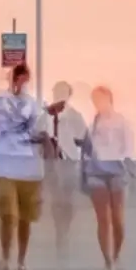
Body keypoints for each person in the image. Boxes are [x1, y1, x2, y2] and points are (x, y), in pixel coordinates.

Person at [0, 61, 47, 270]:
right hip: (5, 164)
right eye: (17, 77)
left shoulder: (36, 104)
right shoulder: (0, 103)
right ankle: (5, 258)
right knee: (8, 214)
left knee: (25, 217)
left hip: (29, 166)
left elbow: (42, 132)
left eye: (24, 78)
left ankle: (21, 260)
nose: (20, 82)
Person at [81, 85, 135, 270]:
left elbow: (128, 147)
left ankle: (116, 251)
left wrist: (123, 161)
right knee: (103, 218)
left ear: (109, 99)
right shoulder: (93, 124)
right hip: (96, 172)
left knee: (117, 218)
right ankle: (107, 259)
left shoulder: (121, 122)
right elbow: (88, 148)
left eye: (99, 99)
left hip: (117, 171)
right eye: (94, 100)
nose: (97, 104)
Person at [45, 79, 89, 255]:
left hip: (69, 160)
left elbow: (82, 138)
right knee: (58, 199)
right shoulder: (46, 115)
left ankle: (64, 229)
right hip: (53, 162)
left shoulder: (74, 116)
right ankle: (60, 230)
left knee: (66, 199)